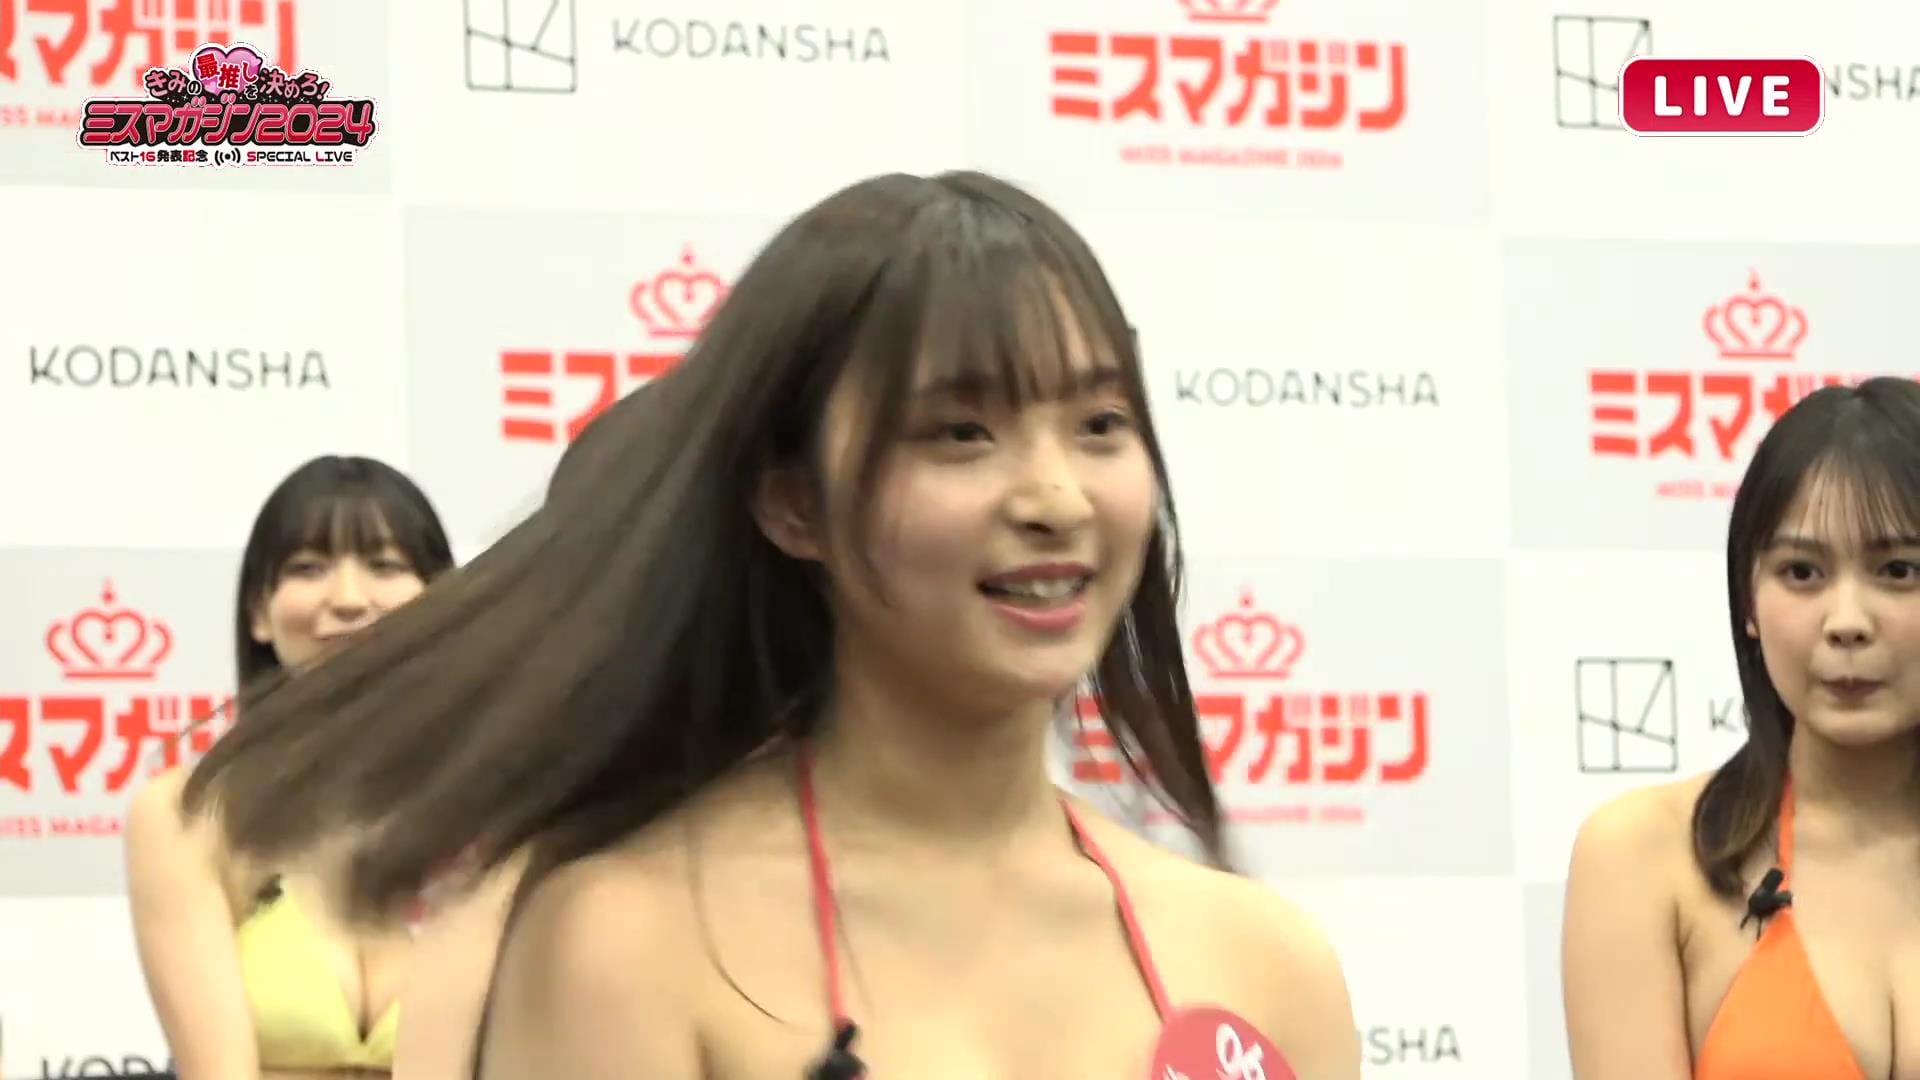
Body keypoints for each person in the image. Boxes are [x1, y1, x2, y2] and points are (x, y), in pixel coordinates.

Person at [173, 171, 1361, 1079]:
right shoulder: (626, 938)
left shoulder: (1264, 963)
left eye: (1101, 425)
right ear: (793, 502)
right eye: (961, 432)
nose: (1055, 497)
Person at [1562, 376, 1920, 1079]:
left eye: (1898, 569)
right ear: (1748, 602)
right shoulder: (1644, 858)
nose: (1847, 621)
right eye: (1802, 571)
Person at [124, 455, 519, 1080]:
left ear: (441, 601)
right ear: (260, 612)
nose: (349, 599)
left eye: (385, 565)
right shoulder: (187, 816)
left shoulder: (496, 814)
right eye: (308, 568)